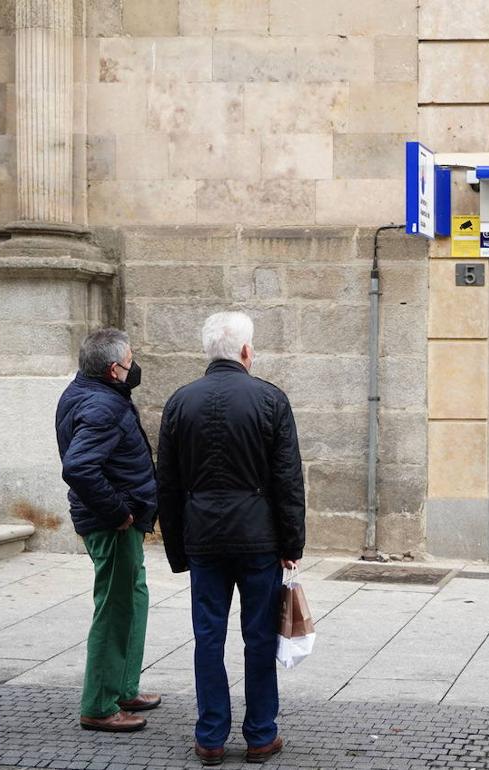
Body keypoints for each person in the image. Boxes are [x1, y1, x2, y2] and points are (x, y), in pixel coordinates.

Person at [157, 312, 305, 766]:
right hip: (257, 537)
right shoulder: (269, 399)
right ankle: (261, 734)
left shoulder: (180, 402)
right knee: (259, 636)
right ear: (246, 352)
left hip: (204, 536)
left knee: (208, 637)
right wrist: (291, 544)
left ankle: (211, 736)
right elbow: (288, 479)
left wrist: (177, 549)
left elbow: (168, 482)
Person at [56, 328, 161, 733]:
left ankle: (123, 687)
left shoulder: (90, 394)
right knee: (115, 608)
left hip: (118, 520)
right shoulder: (103, 406)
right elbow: (79, 466)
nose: (135, 366)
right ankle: (99, 704)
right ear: (115, 369)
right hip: (112, 523)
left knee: (132, 597)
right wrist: (118, 512)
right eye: (131, 360)